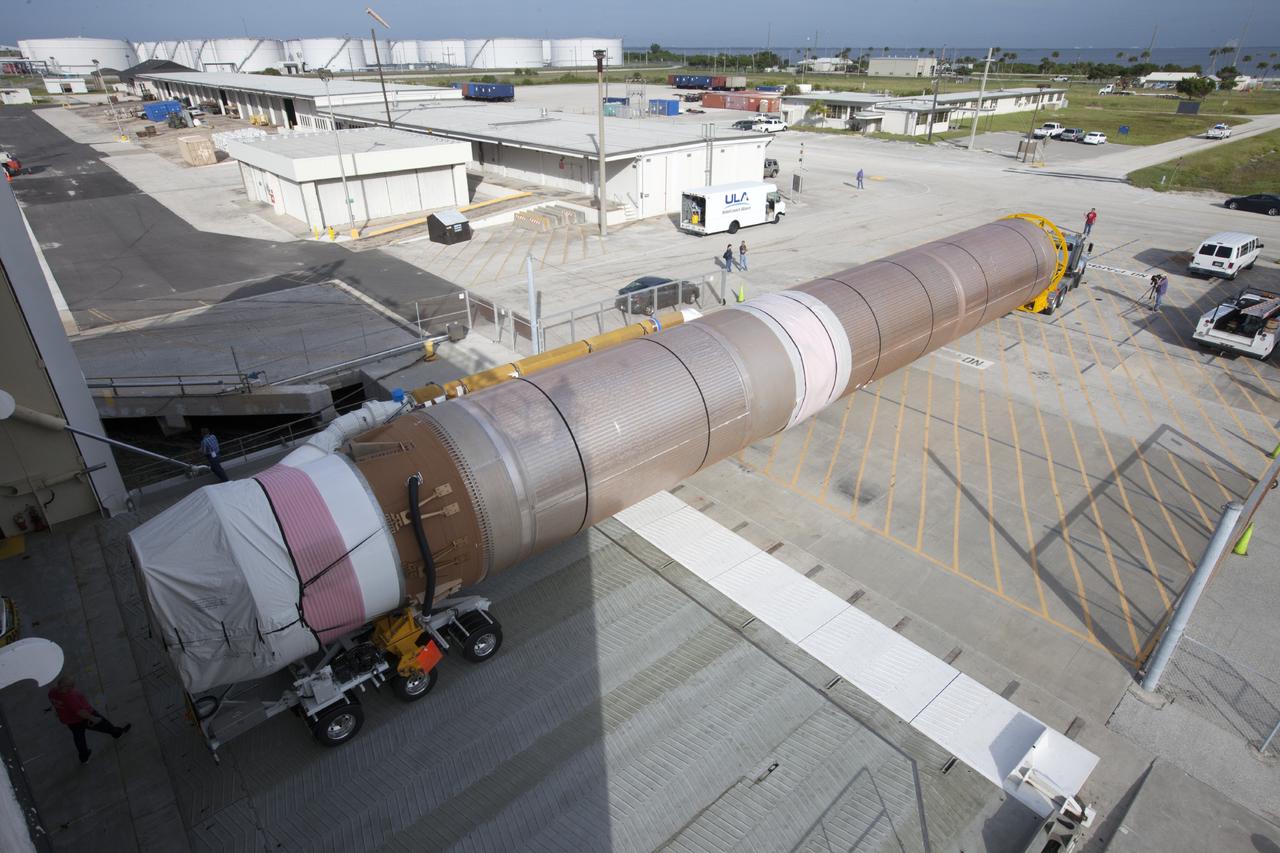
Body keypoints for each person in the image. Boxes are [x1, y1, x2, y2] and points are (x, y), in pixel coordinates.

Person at [48, 675, 130, 764]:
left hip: (69, 721)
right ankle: (117, 733)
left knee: (79, 738)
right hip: (83, 717)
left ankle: (84, 757)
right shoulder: (69, 697)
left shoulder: (52, 692)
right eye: (71, 685)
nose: (73, 687)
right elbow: (80, 712)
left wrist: (59, 711)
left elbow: (54, 703)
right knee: (105, 725)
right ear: (66, 687)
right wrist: (93, 718)